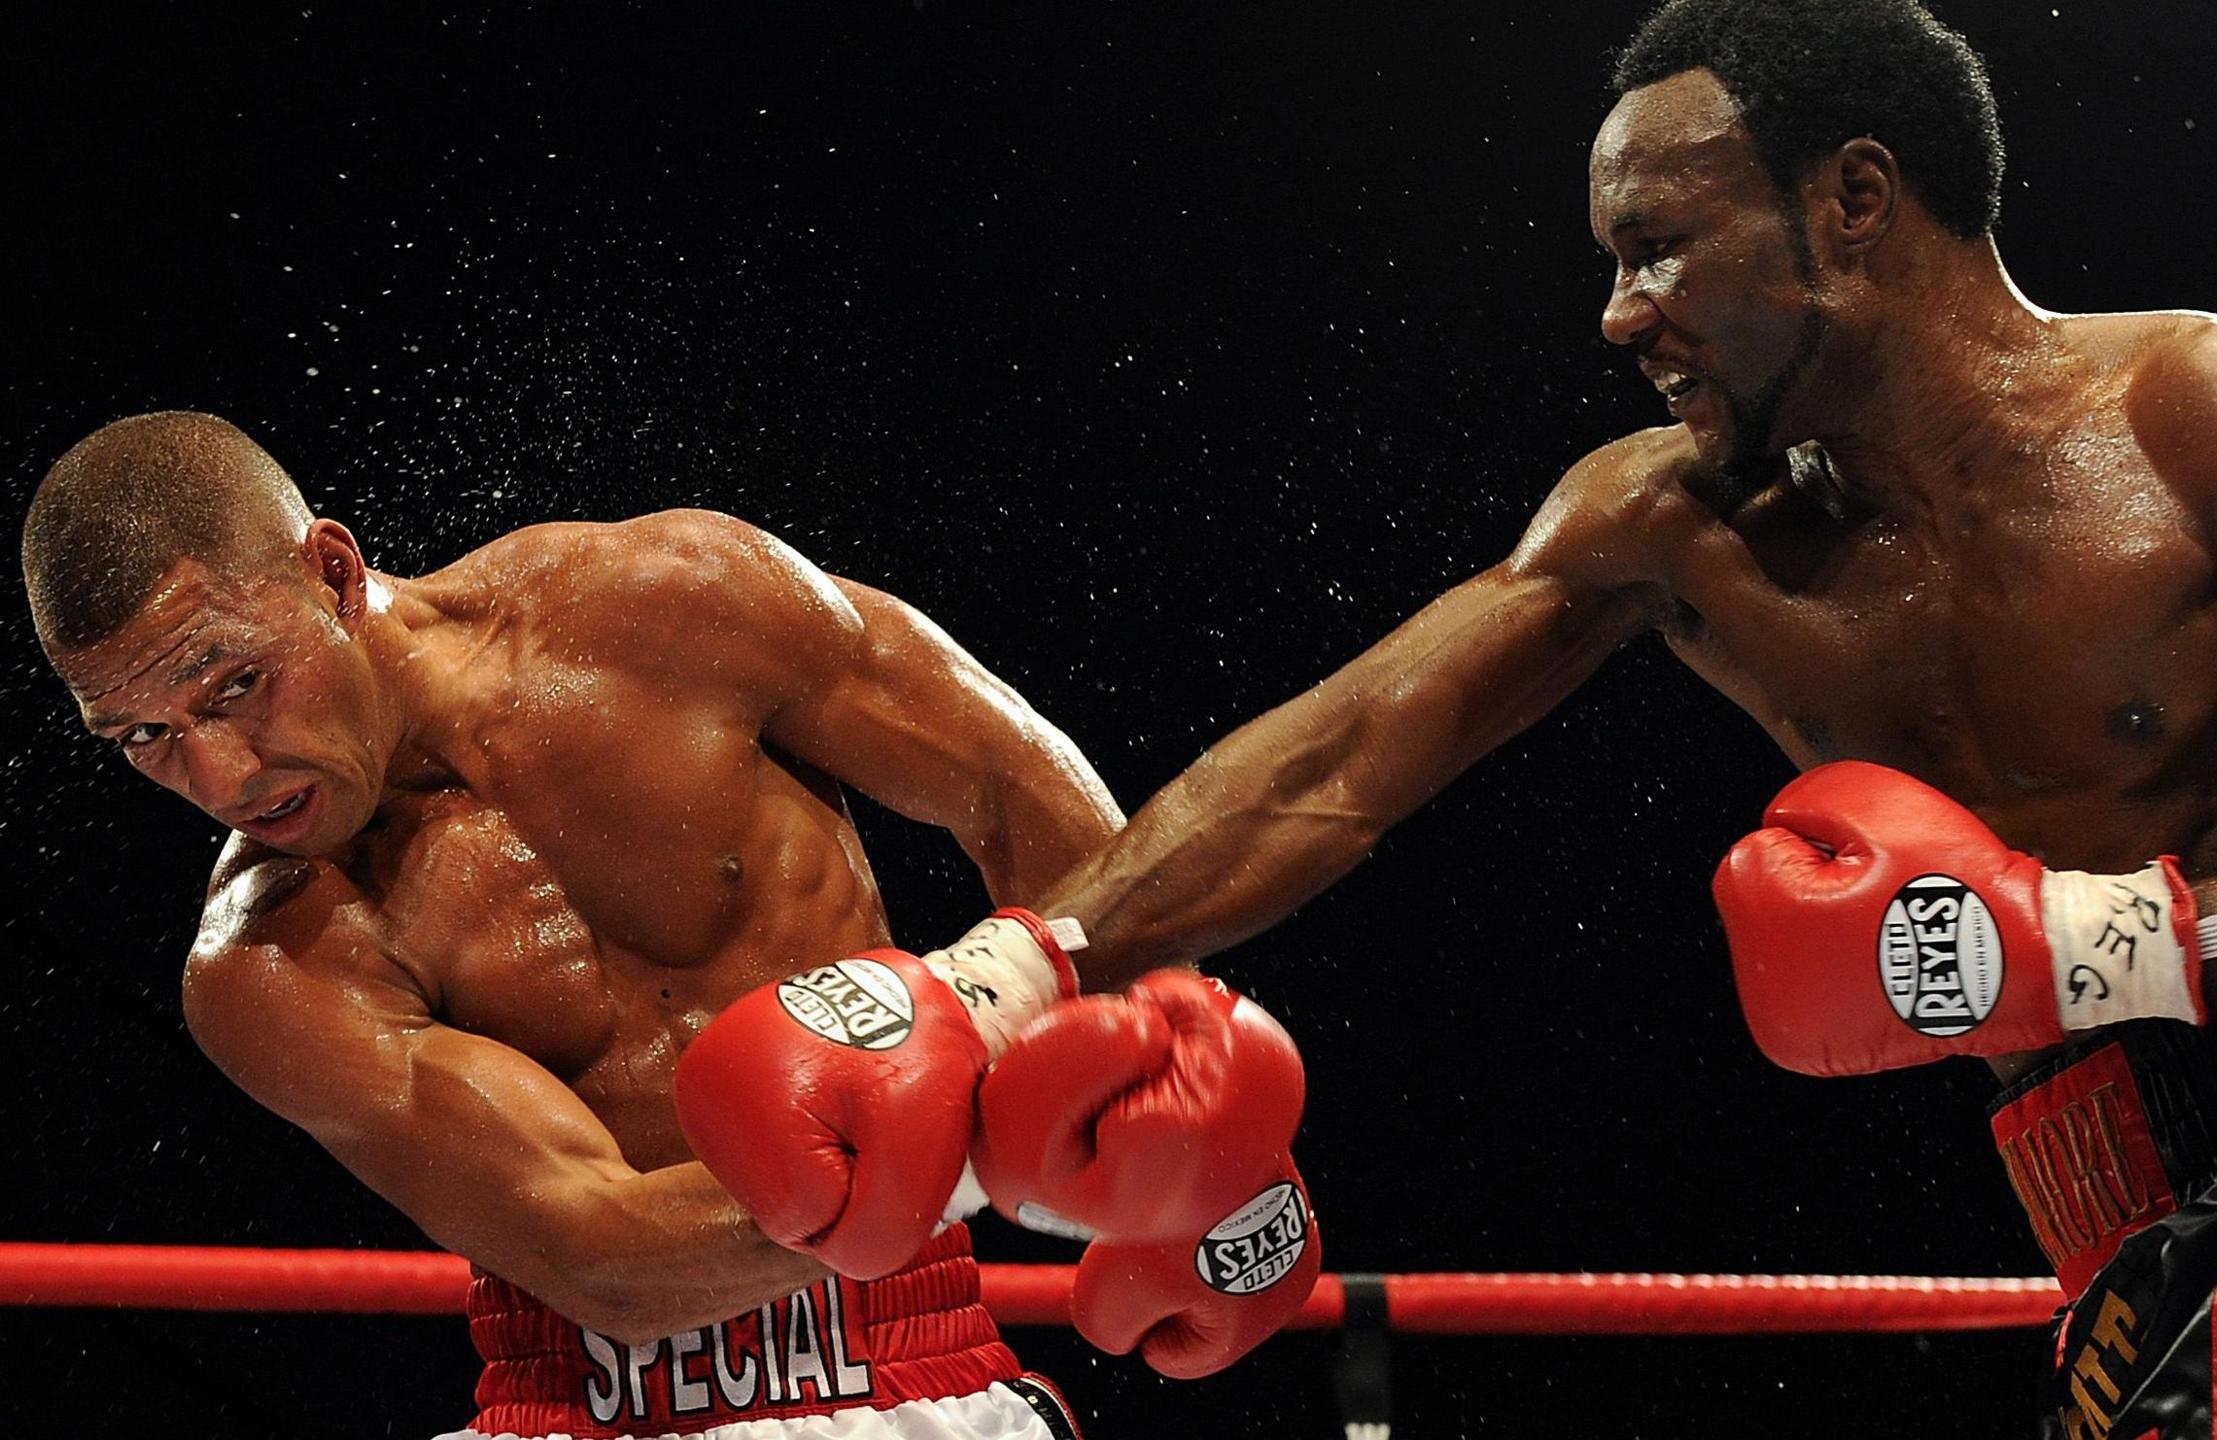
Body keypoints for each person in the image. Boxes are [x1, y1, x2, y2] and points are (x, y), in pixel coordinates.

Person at [1022, 2, 2217, 1434]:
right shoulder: (1676, 524)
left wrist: (2088, 944)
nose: (1620, 317)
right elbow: (1331, 768)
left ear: (1856, 198)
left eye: (1660, 249)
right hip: (2139, 1254)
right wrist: (1000, 980)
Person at [18, 410, 1318, 1440]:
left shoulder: (669, 604)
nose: (221, 774)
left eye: (236, 683)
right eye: (143, 738)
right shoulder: (265, 955)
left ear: (337, 573)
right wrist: (1025, 1136)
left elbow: (1008, 785)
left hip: (907, 1374)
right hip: (576, 1413)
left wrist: (1175, 1076)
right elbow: (602, 1262)